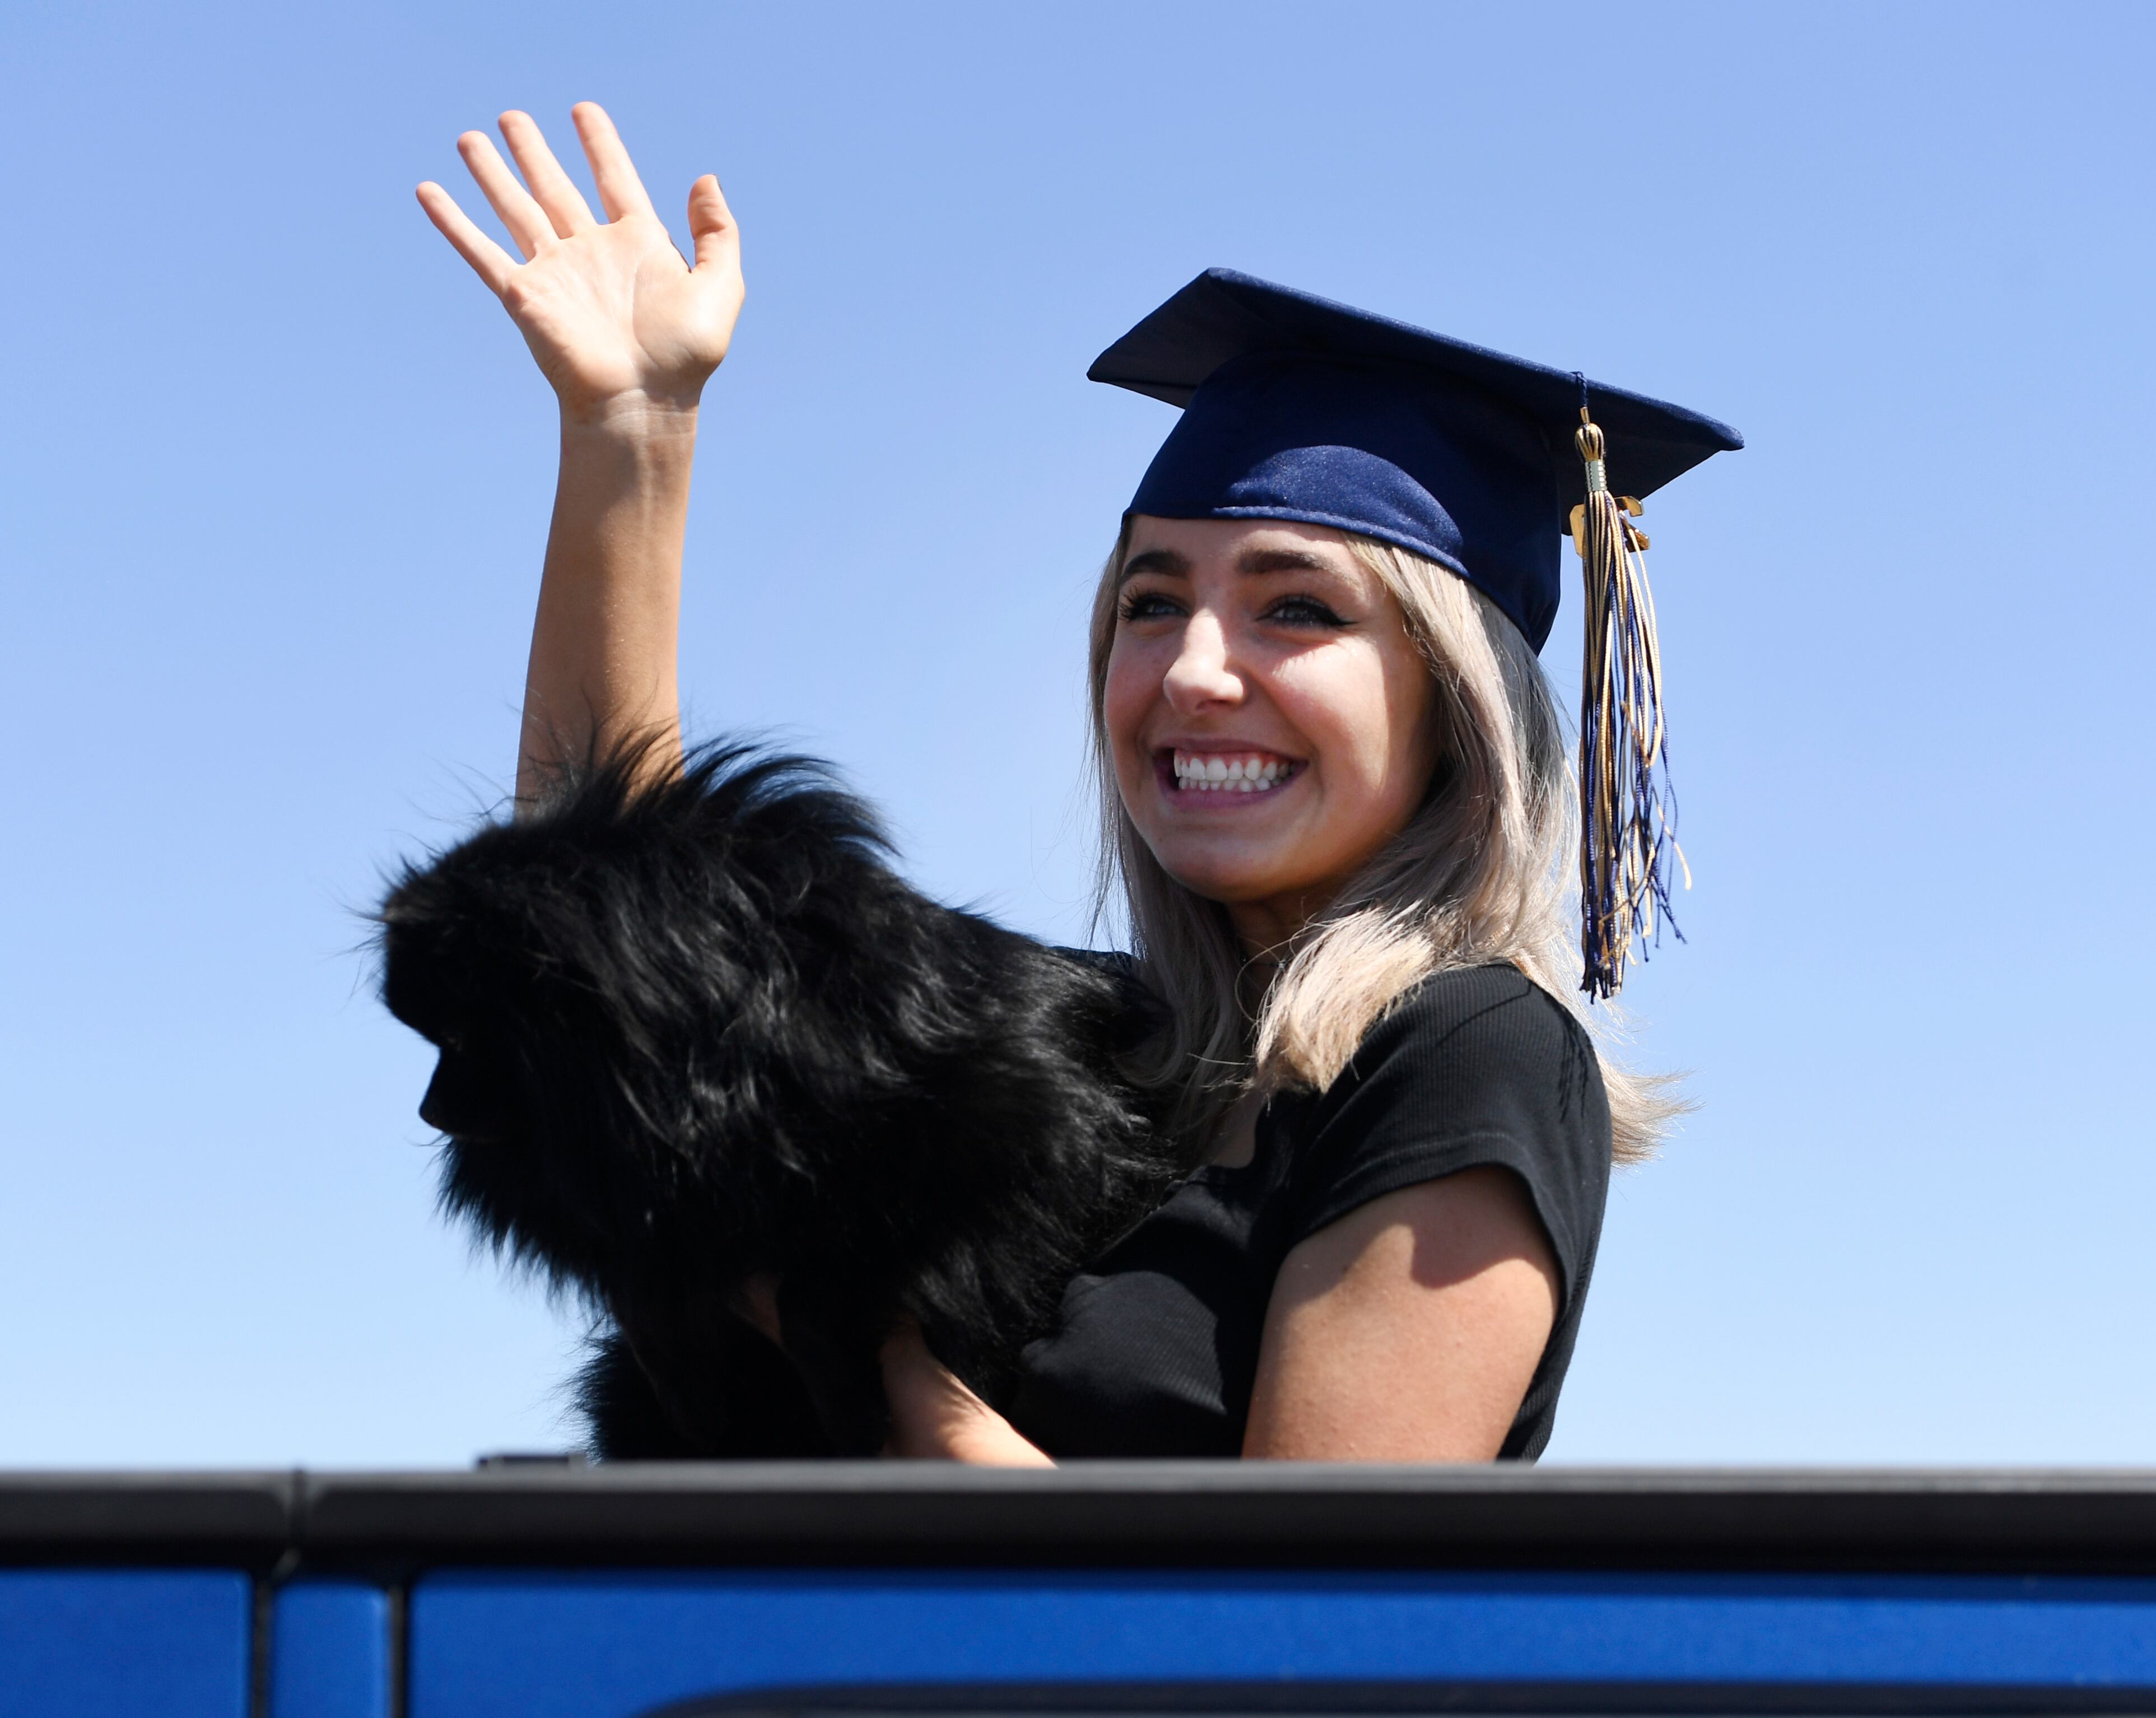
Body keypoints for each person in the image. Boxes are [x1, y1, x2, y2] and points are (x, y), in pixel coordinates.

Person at [416, 104, 1738, 1464]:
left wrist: (856, 1348)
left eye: (1296, 611)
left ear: (1454, 705)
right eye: (1153, 605)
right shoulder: (1103, 1050)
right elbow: (605, 966)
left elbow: (1276, 1643)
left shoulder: (1465, 1054)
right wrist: (633, 439)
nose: (1194, 672)